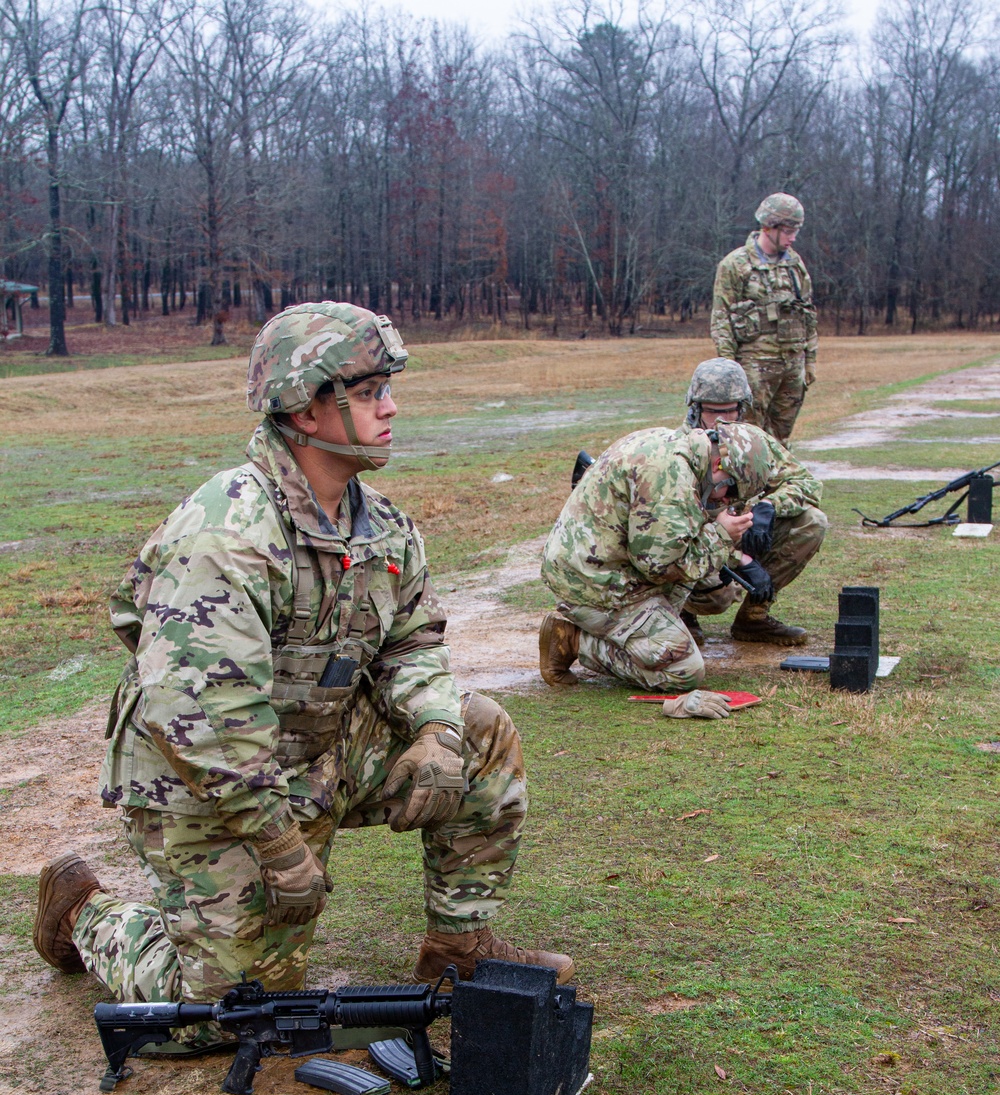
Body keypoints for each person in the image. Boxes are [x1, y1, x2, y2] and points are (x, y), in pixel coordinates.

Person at [33, 302, 573, 1037]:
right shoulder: (229, 531)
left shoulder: (379, 524)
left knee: (479, 732)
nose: (391, 407)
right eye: (368, 392)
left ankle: (460, 949)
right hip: (202, 781)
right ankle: (84, 913)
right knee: (231, 1016)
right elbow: (205, 723)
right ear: (307, 408)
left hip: (315, 751)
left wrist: (435, 733)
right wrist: (279, 846)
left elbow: (412, 642)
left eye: (387, 388)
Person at [537, 359, 828, 708]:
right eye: (729, 491)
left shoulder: (689, 451)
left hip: (610, 565)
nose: (726, 500)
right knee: (684, 671)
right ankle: (573, 639)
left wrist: (745, 534)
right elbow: (658, 567)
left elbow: (675, 544)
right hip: (595, 581)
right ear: (720, 464)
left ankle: (648, 629)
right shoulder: (671, 476)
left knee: (690, 605)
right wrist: (722, 537)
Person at [710, 193, 817, 444]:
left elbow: (808, 313)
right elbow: (721, 319)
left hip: (791, 366)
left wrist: (810, 360)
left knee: (780, 440)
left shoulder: (794, 264)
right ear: (769, 227)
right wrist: (729, 369)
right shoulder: (735, 265)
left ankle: (779, 483)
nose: (793, 238)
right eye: (789, 231)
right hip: (754, 369)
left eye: (796, 231)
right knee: (748, 439)